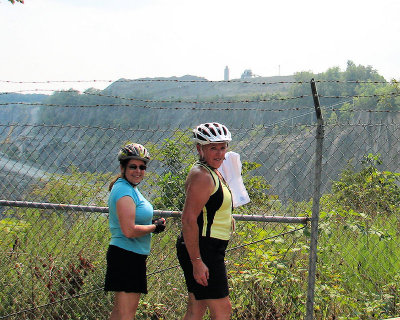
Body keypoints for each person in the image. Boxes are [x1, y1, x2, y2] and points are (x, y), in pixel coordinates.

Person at [176, 122, 233, 320]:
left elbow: (210, 207)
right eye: (213, 148)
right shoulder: (202, 176)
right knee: (223, 311)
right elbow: (188, 220)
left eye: (223, 147)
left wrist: (227, 218)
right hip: (204, 249)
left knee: (196, 308)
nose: (220, 153)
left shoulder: (213, 171)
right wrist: (197, 262)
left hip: (208, 246)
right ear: (200, 148)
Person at [105, 143, 166, 320]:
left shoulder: (129, 188)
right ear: (122, 167)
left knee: (119, 314)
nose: (138, 171)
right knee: (126, 315)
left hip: (130, 255)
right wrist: (155, 227)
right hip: (126, 256)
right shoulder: (124, 190)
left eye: (142, 167)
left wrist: (151, 225)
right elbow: (129, 230)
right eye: (133, 166)